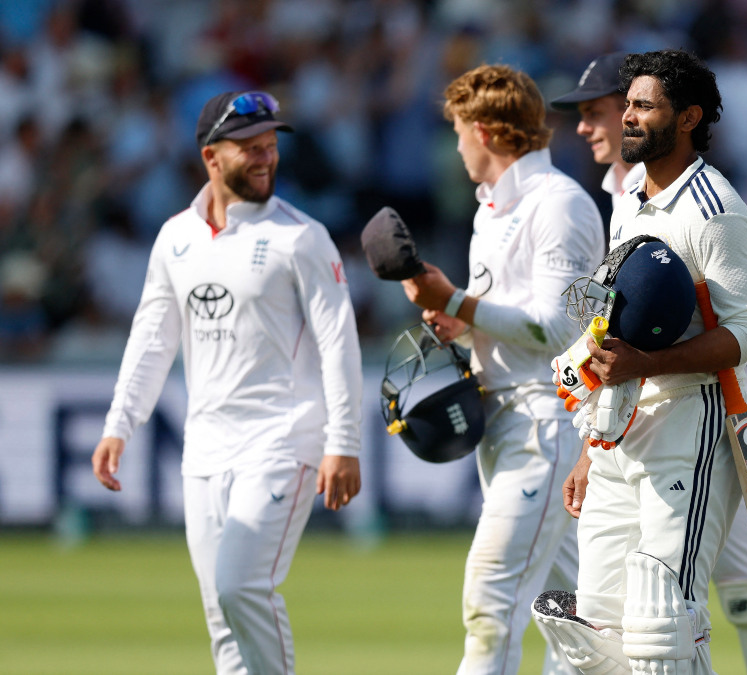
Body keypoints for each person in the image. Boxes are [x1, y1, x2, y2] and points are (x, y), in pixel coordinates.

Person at [549, 52, 747, 675]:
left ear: (689, 118)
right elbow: (615, 326)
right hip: (620, 427)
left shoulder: (715, 209)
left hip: (690, 423)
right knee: (596, 623)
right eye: (627, 105)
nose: (627, 117)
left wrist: (649, 361)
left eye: (644, 106)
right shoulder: (629, 198)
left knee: (662, 617)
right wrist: (591, 446)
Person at [91, 90, 364, 675]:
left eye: (270, 146)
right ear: (211, 158)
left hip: (283, 439)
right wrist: (120, 424)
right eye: (250, 148)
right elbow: (151, 339)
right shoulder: (175, 238)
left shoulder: (302, 236)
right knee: (221, 613)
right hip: (206, 448)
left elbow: (339, 342)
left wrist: (344, 442)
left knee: (241, 586)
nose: (266, 158)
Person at [399, 63, 605, 674]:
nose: (456, 146)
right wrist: (463, 324)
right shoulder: (491, 210)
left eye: (459, 132)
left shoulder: (559, 204)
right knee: (577, 621)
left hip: (546, 419)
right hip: (507, 418)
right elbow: (515, 316)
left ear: (484, 132)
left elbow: (560, 327)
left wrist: (458, 302)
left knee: (491, 598)